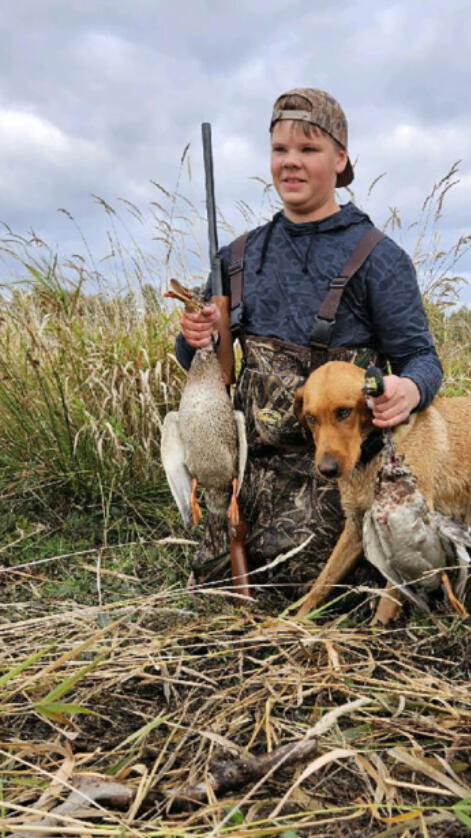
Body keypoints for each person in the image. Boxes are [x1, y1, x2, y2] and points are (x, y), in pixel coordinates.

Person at [174, 88, 443, 600]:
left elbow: (423, 361)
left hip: (336, 478)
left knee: (307, 593)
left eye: (308, 149)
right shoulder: (237, 256)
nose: (290, 163)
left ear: (340, 159)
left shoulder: (379, 259)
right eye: (280, 151)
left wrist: (409, 388)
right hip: (245, 478)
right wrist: (197, 342)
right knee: (211, 594)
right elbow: (196, 364)